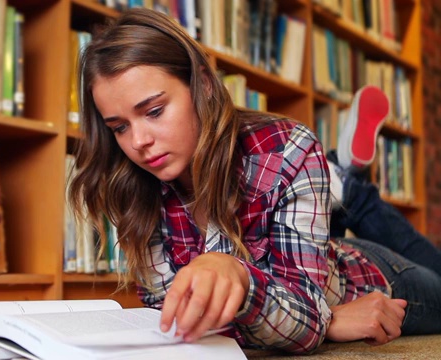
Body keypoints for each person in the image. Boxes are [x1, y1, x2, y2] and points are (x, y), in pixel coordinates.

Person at [67, 8, 441, 353]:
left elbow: (304, 321)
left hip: (366, 275)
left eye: (154, 111)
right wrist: (328, 320)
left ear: (204, 85)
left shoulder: (285, 148)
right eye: (119, 127)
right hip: (319, 259)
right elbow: (176, 321)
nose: (138, 142)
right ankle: (339, 180)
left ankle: (347, 188)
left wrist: (242, 281)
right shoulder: (128, 183)